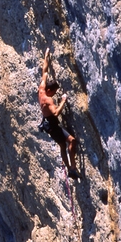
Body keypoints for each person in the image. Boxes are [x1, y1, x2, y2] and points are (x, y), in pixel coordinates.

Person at [38, 48, 81, 179]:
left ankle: (70, 169)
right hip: (52, 125)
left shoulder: (42, 88)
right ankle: (72, 168)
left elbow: (44, 71)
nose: (55, 94)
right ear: (49, 90)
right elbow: (56, 113)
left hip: (48, 124)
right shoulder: (47, 100)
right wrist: (63, 101)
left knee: (62, 145)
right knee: (71, 141)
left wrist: (46, 56)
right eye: (54, 92)